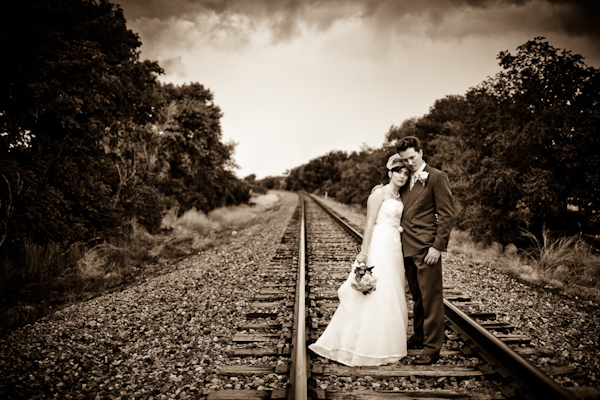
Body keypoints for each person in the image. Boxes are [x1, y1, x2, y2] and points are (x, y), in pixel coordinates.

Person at [308, 155, 410, 366]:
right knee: (376, 291)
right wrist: (364, 253)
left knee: (393, 290)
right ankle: (362, 346)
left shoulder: (401, 197)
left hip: (394, 247)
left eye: (406, 172)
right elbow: (370, 223)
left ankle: (388, 343)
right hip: (379, 245)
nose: (402, 175)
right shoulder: (378, 194)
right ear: (390, 172)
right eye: (399, 171)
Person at [396, 136, 454, 365]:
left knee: (431, 299)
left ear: (420, 152)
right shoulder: (404, 178)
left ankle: (432, 348)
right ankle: (419, 335)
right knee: (417, 297)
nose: (409, 162)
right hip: (406, 248)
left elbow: (447, 215)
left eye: (412, 157)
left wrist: (437, 247)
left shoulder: (437, 177)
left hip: (427, 248)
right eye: (404, 159)